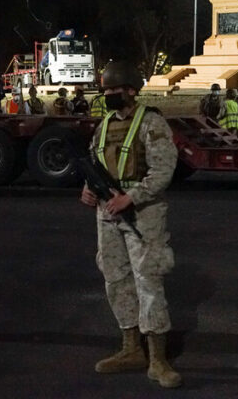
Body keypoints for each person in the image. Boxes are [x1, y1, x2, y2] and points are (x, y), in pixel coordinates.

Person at [79, 61, 181, 388]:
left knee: (148, 280)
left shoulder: (151, 123)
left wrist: (131, 197)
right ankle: (130, 348)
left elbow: (163, 171)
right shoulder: (104, 125)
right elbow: (96, 161)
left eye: (114, 90)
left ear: (132, 91)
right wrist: (88, 188)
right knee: (115, 277)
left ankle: (158, 359)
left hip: (142, 213)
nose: (108, 95)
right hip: (108, 212)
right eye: (105, 90)